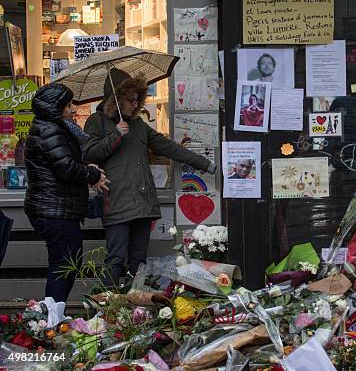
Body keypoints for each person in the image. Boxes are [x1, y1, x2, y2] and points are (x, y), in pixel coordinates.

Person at [84, 69, 216, 287]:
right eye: (130, 100)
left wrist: (205, 164)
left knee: (138, 261)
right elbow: (90, 155)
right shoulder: (96, 122)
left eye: (138, 100)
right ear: (115, 98)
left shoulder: (138, 125)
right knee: (115, 259)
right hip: (116, 201)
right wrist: (116, 134)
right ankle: (105, 307)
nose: (135, 105)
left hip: (143, 203)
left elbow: (168, 147)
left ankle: (136, 308)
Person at [24, 83, 108, 302]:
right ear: (56, 106)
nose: (73, 109)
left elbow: (66, 163)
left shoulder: (52, 128)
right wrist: (91, 173)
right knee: (64, 266)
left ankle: (53, 314)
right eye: (68, 105)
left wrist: (89, 170)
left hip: (54, 208)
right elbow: (67, 167)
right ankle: (52, 318)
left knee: (65, 264)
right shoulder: (50, 130)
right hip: (54, 211)